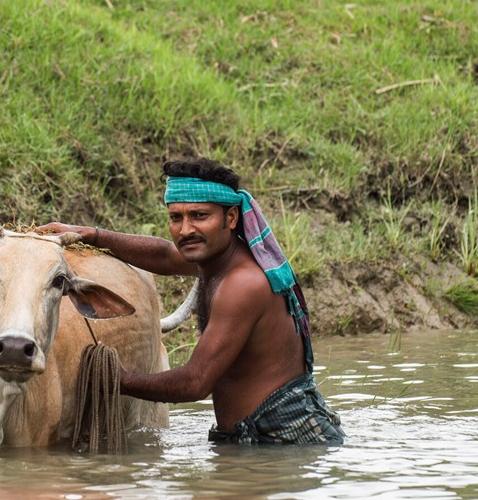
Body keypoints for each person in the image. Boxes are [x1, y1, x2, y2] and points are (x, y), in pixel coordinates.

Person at [37, 158, 344, 444]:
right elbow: (163, 254)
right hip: (257, 437)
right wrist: (92, 234)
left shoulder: (242, 284)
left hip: (284, 439)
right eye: (176, 217)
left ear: (231, 217)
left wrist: (119, 379)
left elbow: (195, 383)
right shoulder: (217, 258)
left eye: (199, 216)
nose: (185, 230)